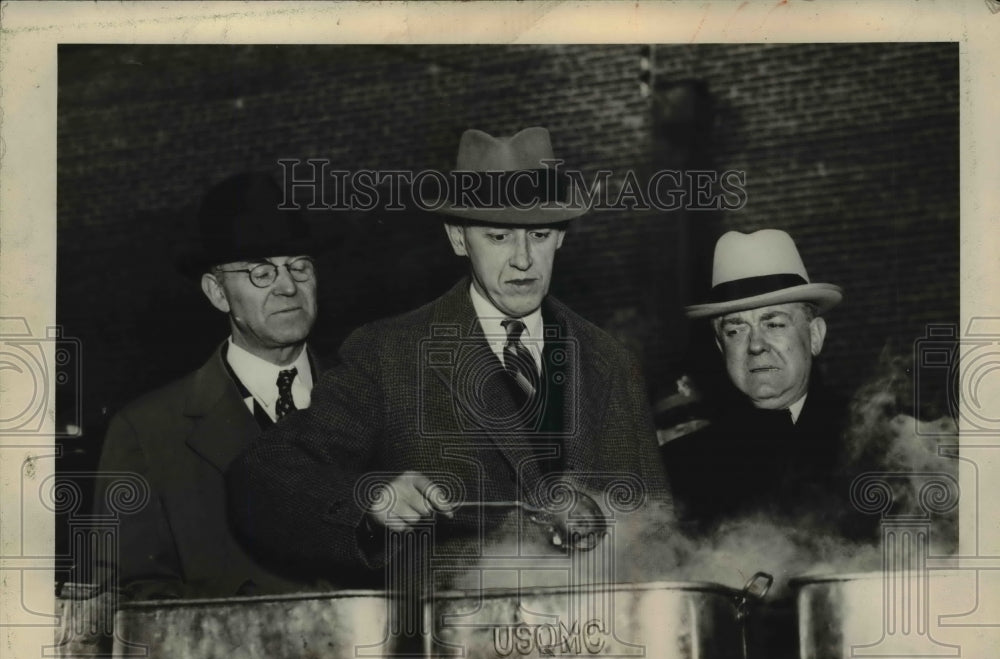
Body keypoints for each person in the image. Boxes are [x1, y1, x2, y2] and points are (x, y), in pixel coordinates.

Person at [228, 127, 669, 587]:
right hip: (450, 646)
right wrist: (372, 500)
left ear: (560, 237)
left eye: (538, 234)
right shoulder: (390, 355)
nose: (523, 260)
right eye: (498, 237)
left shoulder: (611, 362)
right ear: (459, 239)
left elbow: (657, 535)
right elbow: (263, 475)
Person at [92, 171, 333, 598]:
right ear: (217, 293)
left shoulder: (376, 397)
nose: (288, 286)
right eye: (261, 273)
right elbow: (132, 597)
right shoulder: (147, 431)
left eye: (300, 265)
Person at [663, 228, 846, 527]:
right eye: (735, 331)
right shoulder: (680, 467)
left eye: (774, 324)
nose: (756, 345)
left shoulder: (878, 444)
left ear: (815, 336)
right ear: (721, 347)